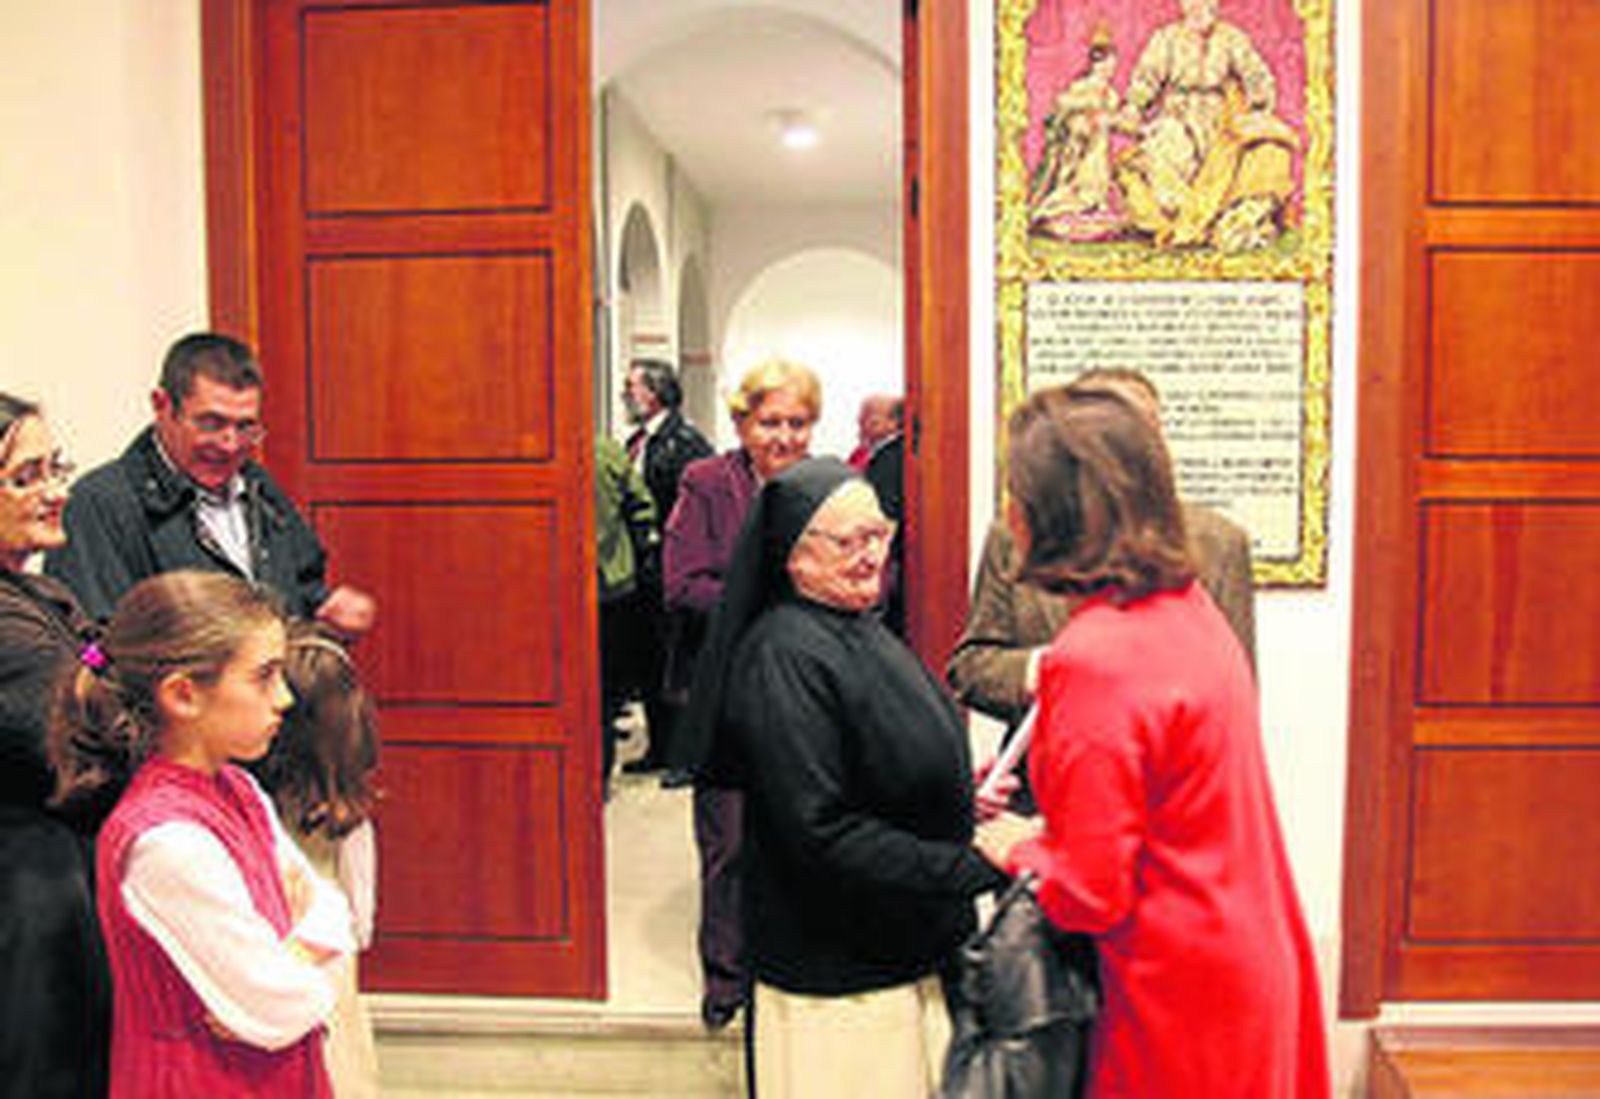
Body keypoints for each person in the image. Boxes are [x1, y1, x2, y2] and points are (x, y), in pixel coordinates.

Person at [974, 387, 1329, 1098]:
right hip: (1244, 953)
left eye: (1016, 487)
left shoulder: (1096, 654)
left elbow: (1086, 893)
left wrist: (1017, 842)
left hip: (1174, 985)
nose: (1008, 508)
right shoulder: (1186, 607)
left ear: (1051, 512)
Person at [690, 457, 1006, 1098]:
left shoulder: (854, 623)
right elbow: (822, 832)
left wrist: (954, 794)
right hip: (840, 982)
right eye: (847, 542)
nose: (871, 556)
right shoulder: (783, 656)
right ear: (792, 556)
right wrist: (974, 862)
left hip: (897, 951)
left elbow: (874, 760)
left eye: (879, 534)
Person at [50, 570, 354, 1097]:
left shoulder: (238, 788)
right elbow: (277, 1003)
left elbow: (334, 914)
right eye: (264, 677)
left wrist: (296, 958)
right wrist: (308, 962)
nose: (284, 698)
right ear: (184, 695)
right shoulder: (167, 842)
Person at [947, 369, 1255, 806]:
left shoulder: (1215, 546)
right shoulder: (1017, 535)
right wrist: (1040, 670)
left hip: (1162, 801)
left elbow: (1231, 709)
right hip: (1038, 787)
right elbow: (971, 667)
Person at [664, 358, 821, 1028]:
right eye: (769, 422)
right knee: (727, 839)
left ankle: (790, 963)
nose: (783, 437)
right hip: (725, 689)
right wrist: (762, 602)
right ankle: (727, 978)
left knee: (801, 834)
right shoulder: (706, 482)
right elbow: (681, 581)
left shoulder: (828, 484)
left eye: (797, 422)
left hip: (807, 692)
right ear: (741, 422)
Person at [45, 331, 377, 637]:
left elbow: (303, 586)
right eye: (211, 424)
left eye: (246, 427)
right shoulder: (99, 505)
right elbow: (89, 644)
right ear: (162, 406)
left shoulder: (257, 485)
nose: (230, 444)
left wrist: (328, 607)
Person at [0, 393, 112, 1097]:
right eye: (27, 475)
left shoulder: (42, 595)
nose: (57, 491)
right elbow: (79, 737)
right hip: (24, 903)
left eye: (56, 467)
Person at [250, 623, 381, 1099]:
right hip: (330, 962)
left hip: (266, 962)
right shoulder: (346, 811)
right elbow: (361, 918)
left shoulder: (247, 801)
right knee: (338, 1067)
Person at [1113, 0, 1301, 251]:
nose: (1199, 8)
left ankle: (1223, 221)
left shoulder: (1232, 38)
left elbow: (1257, 75)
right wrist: (1134, 107)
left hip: (1221, 119)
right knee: (1159, 151)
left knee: (1266, 153)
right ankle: (1187, 222)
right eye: (1193, 3)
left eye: (1206, 4)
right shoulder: (1165, 39)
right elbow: (1146, 78)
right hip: (1178, 116)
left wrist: (1257, 108)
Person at [618, 359, 713, 775]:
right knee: (650, 662)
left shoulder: (684, 443)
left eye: (632, 386)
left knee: (675, 663)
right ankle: (661, 748)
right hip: (644, 573)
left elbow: (686, 514)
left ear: (654, 393)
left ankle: (684, 754)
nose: (625, 393)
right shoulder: (640, 441)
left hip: (670, 570)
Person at [594, 435, 658, 791]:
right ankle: (598, 779)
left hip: (555, 589)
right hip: (612, 585)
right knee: (602, 691)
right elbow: (643, 504)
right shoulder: (606, 450)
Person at [1029, 28, 1122, 237]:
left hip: (1099, 147)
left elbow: (1113, 119)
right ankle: (1059, 212)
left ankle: (1093, 211)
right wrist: (1085, 117)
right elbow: (1062, 108)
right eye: (1105, 64)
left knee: (1098, 182)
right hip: (1080, 147)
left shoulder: (1112, 94)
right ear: (1096, 64)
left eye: (1112, 64)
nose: (1110, 69)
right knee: (1080, 185)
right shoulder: (1082, 87)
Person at [862, 398, 906, 635]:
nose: (861, 423)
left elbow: (884, 519)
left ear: (894, 422)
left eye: (872, 418)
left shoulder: (889, 457)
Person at [846, 394, 901, 471]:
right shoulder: (859, 453)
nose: (865, 428)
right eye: (861, 422)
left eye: (874, 423)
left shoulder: (897, 455)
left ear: (893, 423)